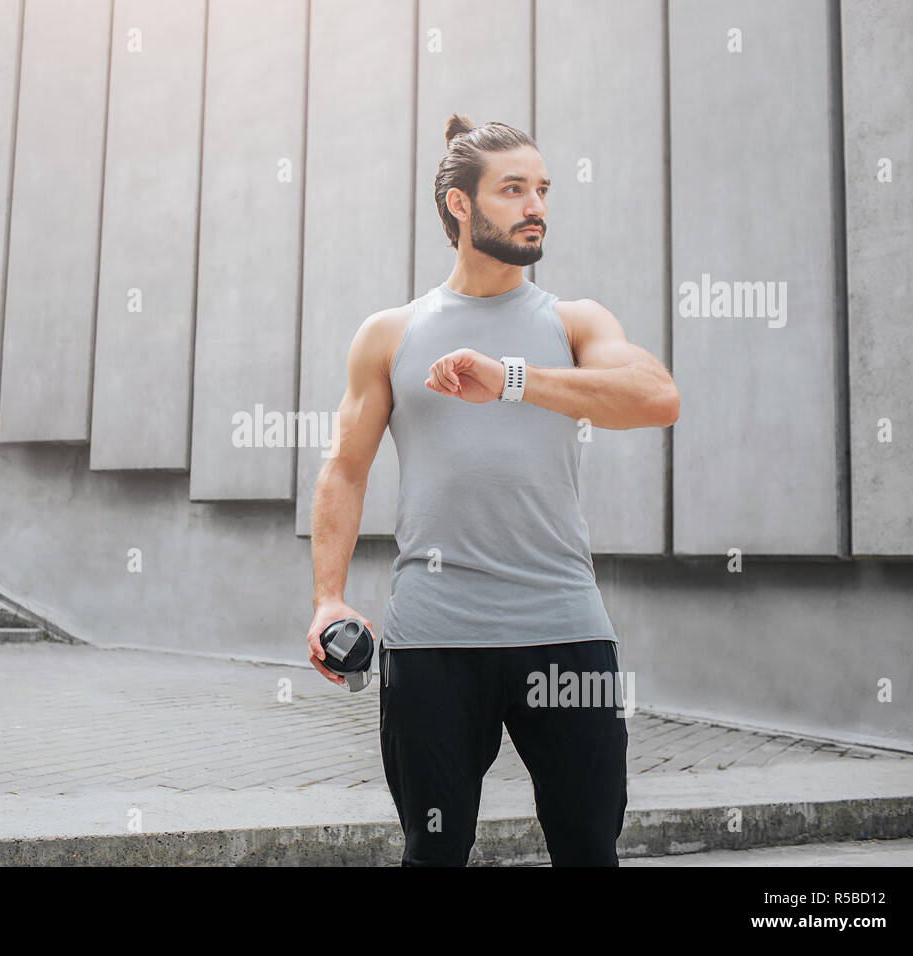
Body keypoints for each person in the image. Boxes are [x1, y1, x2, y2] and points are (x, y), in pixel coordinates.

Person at [306, 114, 680, 866]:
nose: (535, 205)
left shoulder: (574, 321)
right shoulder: (390, 333)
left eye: (541, 189)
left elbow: (654, 397)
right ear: (460, 205)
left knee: (588, 850)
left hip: (566, 633)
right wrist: (328, 598)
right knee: (434, 851)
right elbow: (345, 468)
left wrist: (511, 379)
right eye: (513, 189)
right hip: (435, 641)